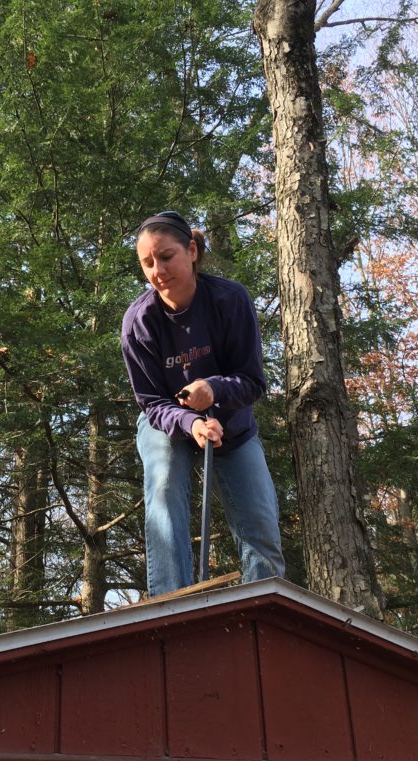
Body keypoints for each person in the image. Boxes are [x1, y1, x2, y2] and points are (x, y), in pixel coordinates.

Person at [121, 210, 286, 597]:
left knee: (261, 526)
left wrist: (213, 389)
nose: (158, 270)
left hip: (232, 426)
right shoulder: (138, 322)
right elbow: (151, 403)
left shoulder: (230, 300)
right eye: (148, 263)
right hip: (167, 425)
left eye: (166, 256)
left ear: (191, 251)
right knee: (163, 485)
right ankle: (170, 603)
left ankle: (261, 606)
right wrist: (190, 423)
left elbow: (252, 380)